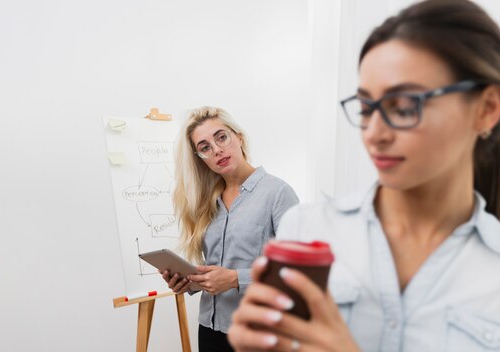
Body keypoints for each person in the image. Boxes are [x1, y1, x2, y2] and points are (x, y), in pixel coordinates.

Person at [227, 1, 500, 351]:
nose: (373, 133)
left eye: (402, 107)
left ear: (487, 109)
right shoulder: (306, 229)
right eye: (366, 108)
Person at [161, 106, 299, 352]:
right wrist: (190, 281)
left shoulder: (278, 193)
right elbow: (214, 270)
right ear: (200, 158)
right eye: (205, 147)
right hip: (210, 330)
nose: (216, 150)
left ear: (239, 137)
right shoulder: (206, 202)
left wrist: (236, 279)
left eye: (221, 137)